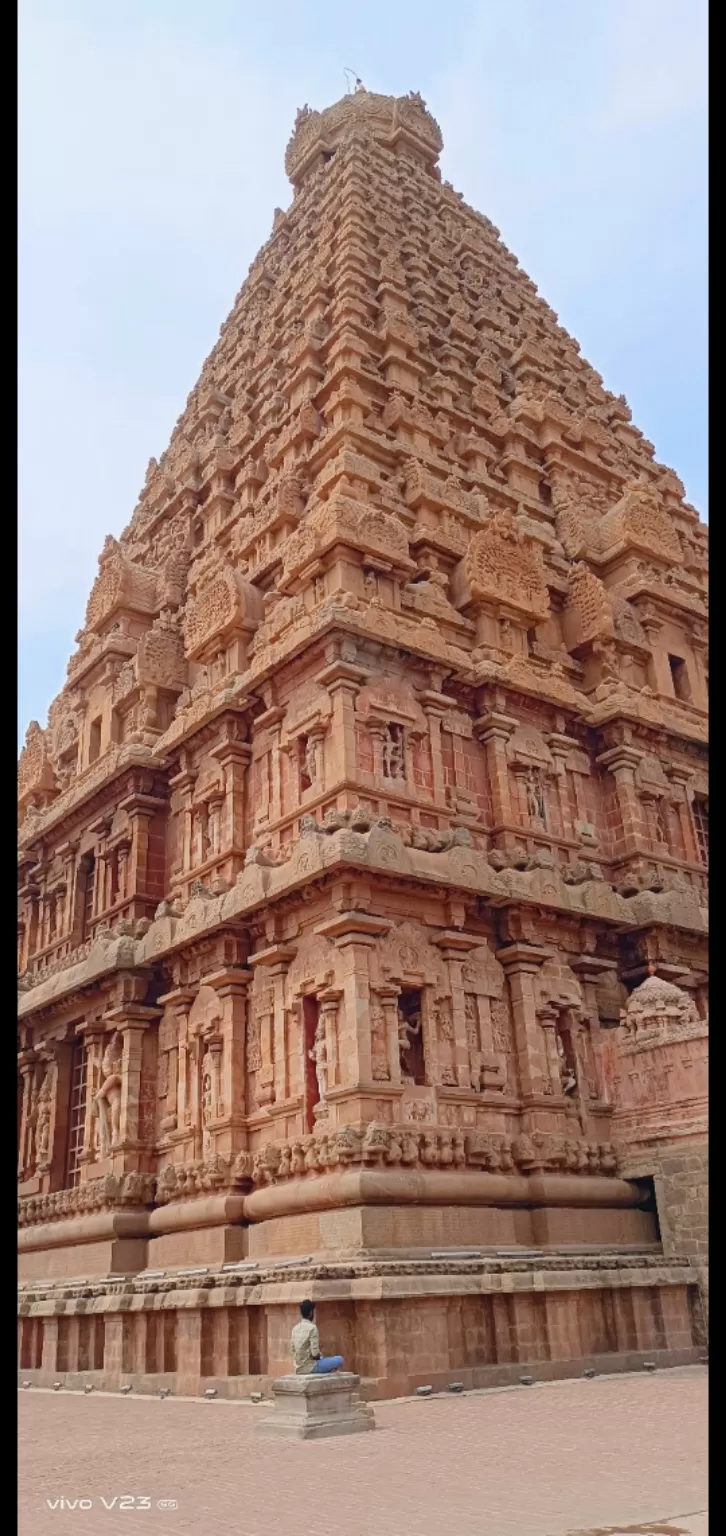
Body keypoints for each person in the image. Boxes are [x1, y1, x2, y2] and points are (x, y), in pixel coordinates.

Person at [291, 1299, 344, 1375]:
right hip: (310, 1367)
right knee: (339, 1359)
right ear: (311, 1313)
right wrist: (319, 1356)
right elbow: (315, 1354)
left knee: (324, 1360)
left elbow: (293, 1350)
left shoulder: (295, 1328)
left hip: (298, 1367)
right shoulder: (312, 1328)